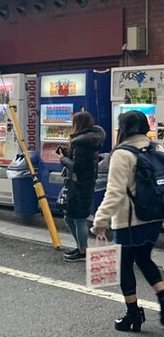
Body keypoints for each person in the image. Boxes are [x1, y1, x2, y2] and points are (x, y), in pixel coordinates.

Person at [91, 110, 164, 332]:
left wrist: (100, 220)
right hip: (154, 216)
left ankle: (133, 315)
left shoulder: (122, 153)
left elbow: (114, 193)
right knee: (143, 258)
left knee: (123, 265)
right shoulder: (155, 147)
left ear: (122, 128)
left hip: (130, 220)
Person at [56, 111, 105, 262]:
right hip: (83, 183)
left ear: (78, 124)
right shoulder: (88, 140)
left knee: (78, 218)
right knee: (70, 217)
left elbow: (77, 167)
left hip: (80, 184)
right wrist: (67, 153)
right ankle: (80, 248)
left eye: (73, 121)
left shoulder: (81, 142)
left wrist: (63, 159)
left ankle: (82, 251)